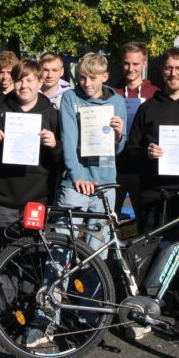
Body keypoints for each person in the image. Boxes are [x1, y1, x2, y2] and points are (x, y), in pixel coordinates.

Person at [125, 47, 179, 343]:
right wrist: (147, 152)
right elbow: (131, 151)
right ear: (162, 71)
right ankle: (145, 312)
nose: (173, 73)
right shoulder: (148, 107)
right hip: (153, 191)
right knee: (149, 253)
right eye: (168, 68)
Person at [0, 59, 61, 255]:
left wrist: (55, 146)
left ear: (39, 83)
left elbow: (61, 161)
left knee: (34, 256)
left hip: (37, 199)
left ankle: (30, 288)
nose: (24, 86)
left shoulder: (52, 115)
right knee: (2, 258)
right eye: (19, 81)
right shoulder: (0, 112)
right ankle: (2, 288)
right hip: (4, 199)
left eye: (29, 81)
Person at [57, 52, 126, 249]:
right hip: (75, 183)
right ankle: (56, 281)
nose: (87, 83)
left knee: (98, 250)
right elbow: (68, 140)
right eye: (82, 77)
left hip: (105, 183)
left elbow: (118, 148)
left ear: (105, 77)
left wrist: (119, 135)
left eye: (93, 78)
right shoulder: (70, 97)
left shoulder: (117, 101)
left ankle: (92, 282)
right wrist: (77, 176)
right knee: (62, 246)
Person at [113, 41, 161, 214]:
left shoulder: (156, 94)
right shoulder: (111, 93)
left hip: (143, 168)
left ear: (144, 64)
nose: (130, 68)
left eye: (136, 64)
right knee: (111, 221)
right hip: (116, 166)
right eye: (127, 63)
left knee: (143, 220)